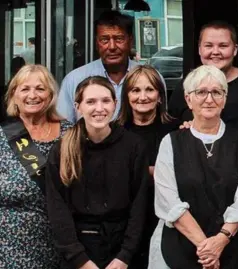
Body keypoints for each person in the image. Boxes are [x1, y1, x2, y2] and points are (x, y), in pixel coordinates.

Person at [149, 65, 238, 269]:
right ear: (188, 99)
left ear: (224, 99)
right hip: (178, 251)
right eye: (201, 92)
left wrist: (220, 241)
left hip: (233, 251)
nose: (209, 99)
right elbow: (168, 201)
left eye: (217, 92)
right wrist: (207, 248)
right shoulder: (170, 142)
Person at [45, 76, 150, 269]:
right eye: (91, 102)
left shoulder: (134, 146)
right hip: (79, 253)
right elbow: (57, 208)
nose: (99, 108)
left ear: (116, 103)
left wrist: (125, 256)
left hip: (123, 252)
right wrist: (80, 260)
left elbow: (140, 204)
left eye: (105, 101)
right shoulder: (62, 149)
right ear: (78, 106)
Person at [0, 64, 72, 268]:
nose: (33, 95)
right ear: (14, 95)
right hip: (7, 249)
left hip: (59, 243)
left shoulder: (70, 134)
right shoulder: (3, 135)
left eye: (40, 88)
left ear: (51, 95)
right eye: (25, 89)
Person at [117, 65, 179, 268]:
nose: (142, 97)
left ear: (160, 96)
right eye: (135, 90)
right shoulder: (114, 132)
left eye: (149, 90)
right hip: (123, 225)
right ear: (126, 96)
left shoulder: (177, 131)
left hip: (166, 221)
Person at [57, 10, 165, 123]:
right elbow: (64, 129)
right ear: (97, 43)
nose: (112, 46)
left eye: (119, 39)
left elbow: (162, 121)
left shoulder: (151, 78)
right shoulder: (75, 79)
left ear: (130, 41)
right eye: (104, 40)